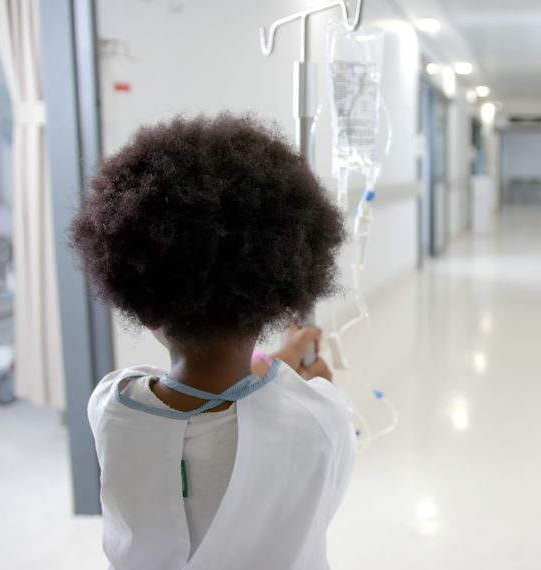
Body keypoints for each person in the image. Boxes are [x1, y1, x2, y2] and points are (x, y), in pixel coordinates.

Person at [70, 114, 354, 570]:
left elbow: (206, 391)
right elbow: (267, 411)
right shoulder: (320, 417)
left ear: (140, 304)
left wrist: (277, 364)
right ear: (274, 298)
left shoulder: (111, 406)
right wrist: (303, 380)